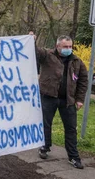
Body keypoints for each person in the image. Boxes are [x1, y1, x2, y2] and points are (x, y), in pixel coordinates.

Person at [31, 33, 88, 169]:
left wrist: (79, 99)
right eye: (65, 46)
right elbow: (36, 52)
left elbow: (83, 81)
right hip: (48, 97)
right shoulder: (48, 56)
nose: (68, 48)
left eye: (70, 46)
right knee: (45, 124)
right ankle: (45, 147)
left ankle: (73, 156)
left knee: (70, 128)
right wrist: (31, 41)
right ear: (57, 46)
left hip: (67, 100)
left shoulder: (77, 62)